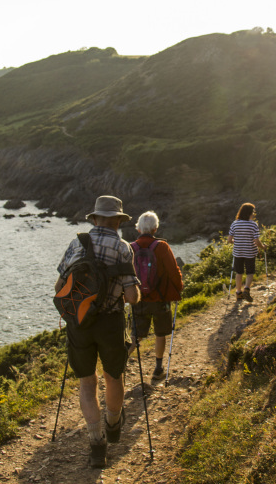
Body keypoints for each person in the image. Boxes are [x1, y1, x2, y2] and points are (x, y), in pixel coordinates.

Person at [55, 195, 141, 468]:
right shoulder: (123, 247)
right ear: (118, 221)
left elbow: (59, 287)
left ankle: (96, 445)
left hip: (79, 323)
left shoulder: (76, 243)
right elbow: (132, 296)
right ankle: (113, 423)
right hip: (110, 323)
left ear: (94, 219)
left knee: (87, 382)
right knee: (113, 376)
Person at [130, 211, 184, 382]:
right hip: (160, 298)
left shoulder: (131, 248)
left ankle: (121, 361)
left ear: (138, 228)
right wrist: (178, 288)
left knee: (136, 334)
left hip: (139, 299)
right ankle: (158, 368)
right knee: (160, 333)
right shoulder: (162, 247)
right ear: (155, 228)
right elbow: (173, 271)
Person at [227, 202, 265, 302]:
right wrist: (263, 247)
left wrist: (237, 241)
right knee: (250, 272)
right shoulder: (253, 224)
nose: (254, 214)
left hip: (238, 252)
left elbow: (229, 240)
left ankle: (238, 293)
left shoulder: (235, 223)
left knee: (239, 272)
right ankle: (247, 289)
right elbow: (256, 241)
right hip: (250, 252)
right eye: (253, 212)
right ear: (249, 213)